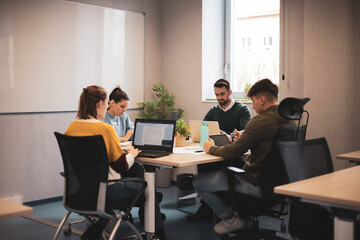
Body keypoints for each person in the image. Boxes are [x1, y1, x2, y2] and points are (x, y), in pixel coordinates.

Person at [192, 79, 294, 235]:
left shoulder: (260, 120)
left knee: (198, 182)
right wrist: (244, 136)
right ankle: (240, 215)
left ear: (262, 99)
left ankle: (230, 219)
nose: (253, 107)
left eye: (253, 101)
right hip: (279, 184)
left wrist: (210, 147)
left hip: (255, 183)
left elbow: (233, 152)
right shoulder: (288, 119)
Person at [65, 85, 165, 240]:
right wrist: (131, 154)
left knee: (136, 176)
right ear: (99, 103)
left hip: (80, 192)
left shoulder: (72, 126)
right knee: (147, 187)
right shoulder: (105, 129)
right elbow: (122, 166)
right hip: (107, 193)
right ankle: (157, 233)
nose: (107, 107)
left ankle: (99, 227)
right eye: (106, 103)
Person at [187, 79, 251, 221]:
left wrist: (231, 136)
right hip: (216, 151)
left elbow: (246, 132)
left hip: (233, 154)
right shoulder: (214, 110)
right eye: (216, 95)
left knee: (210, 167)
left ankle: (223, 209)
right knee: (203, 163)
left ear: (229, 92)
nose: (219, 98)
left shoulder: (242, 109)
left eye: (222, 94)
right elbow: (203, 126)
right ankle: (207, 207)